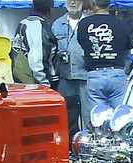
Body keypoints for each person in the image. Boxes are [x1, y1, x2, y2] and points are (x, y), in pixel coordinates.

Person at [77, 0, 131, 109]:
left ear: (93, 3)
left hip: (94, 74)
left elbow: (82, 45)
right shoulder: (121, 23)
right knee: (120, 117)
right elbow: (127, 49)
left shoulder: (84, 23)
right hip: (117, 72)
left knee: (99, 118)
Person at [53, 0, 87, 139]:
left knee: (87, 115)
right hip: (65, 77)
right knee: (66, 115)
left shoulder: (89, 23)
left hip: (85, 76)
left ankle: (87, 144)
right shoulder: (57, 24)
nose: (72, 2)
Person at [12, 0, 58, 87]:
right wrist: (44, 83)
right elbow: (36, 59)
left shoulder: (22, 23)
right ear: (50, 8)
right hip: (36, 82)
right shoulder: (38, 26)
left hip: (20, 79)